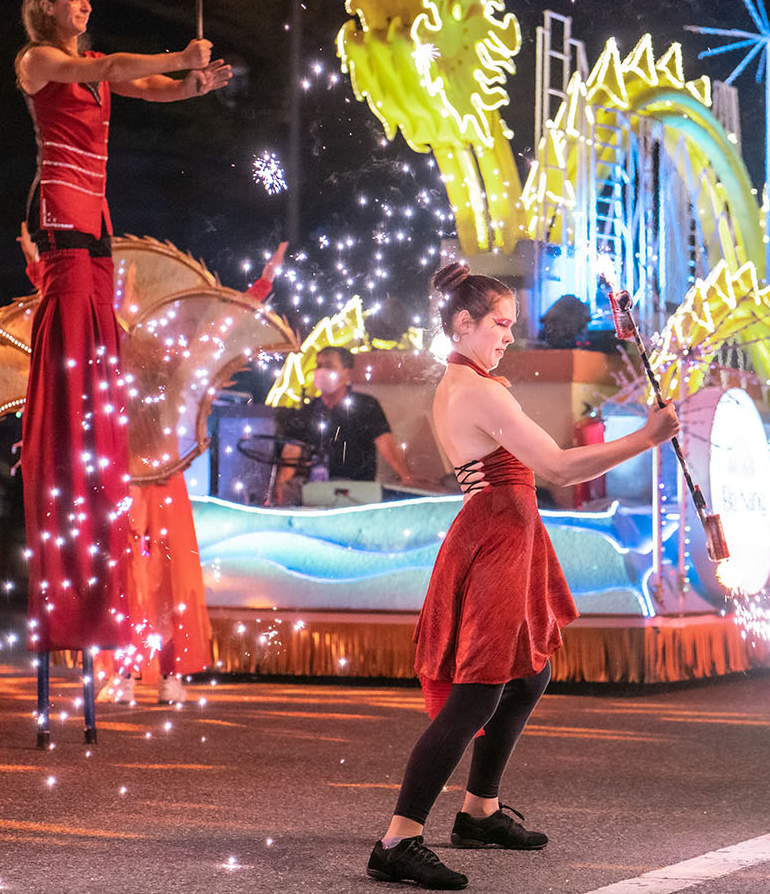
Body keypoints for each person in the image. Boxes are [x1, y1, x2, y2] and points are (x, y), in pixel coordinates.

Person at [365, 264, 680, 890]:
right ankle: (397, 840)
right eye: (501, 324)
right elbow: (559, 469)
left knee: (530, 670)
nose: (510, 336)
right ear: (464, 323)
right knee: (478, 689)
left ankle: (479, 811)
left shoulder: (468, 381)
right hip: (497, 537)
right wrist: (648, 436)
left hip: (505, 532)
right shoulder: (480, 390)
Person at [13, 0, 229, 675]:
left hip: (96, 240)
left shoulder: (92, 69)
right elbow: (116, 65)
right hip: (65, 234)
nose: (84, 4)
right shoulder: (40, 61)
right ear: (44, 6)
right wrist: (176, 55)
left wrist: (193, 81)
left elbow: (148, 86)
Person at [275, 346, 423, 504]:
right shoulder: (307, 412)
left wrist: (406, 477)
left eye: (329, 365)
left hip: (360, 492)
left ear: (346, 372)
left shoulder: (366, 405)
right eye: (318, 365)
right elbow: (291, 454)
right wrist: (280, 488)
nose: (321, 371)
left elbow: (386, 444)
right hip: (318, 494)